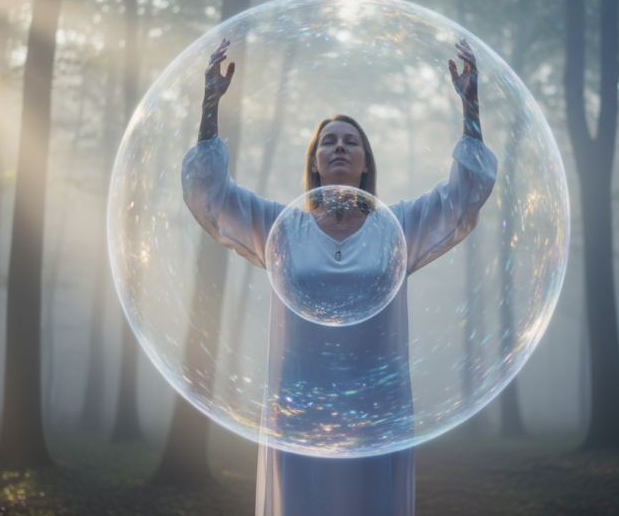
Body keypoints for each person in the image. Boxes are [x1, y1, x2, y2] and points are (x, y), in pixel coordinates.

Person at [182, 37, 497, 516]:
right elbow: (211, 196)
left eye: (351, 141)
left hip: (377, 409)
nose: (340, 147)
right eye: (328, 140)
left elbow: (464, 195)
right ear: (314, 159)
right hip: (299, 407)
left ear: (366, 161)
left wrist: (470, 105)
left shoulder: (397, 228)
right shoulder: (282, 228)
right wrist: (210, 106)